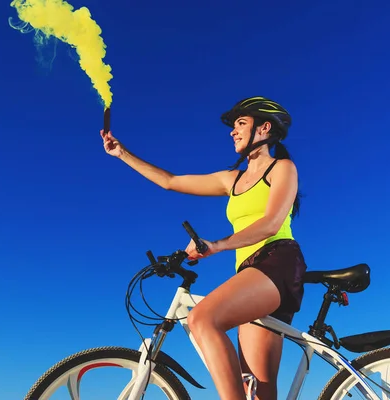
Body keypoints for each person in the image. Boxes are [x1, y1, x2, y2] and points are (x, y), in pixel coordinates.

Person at [100, 96, 308, 400]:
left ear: (264, 128)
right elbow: (171, 181)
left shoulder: (282, 168)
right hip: (251, 271)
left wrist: (217, 245)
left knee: (202, 319)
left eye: (241, 124)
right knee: (259, 391)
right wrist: (123, 154)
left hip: (278, 261)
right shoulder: (231, 180)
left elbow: (271, 224)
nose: (232, 132)